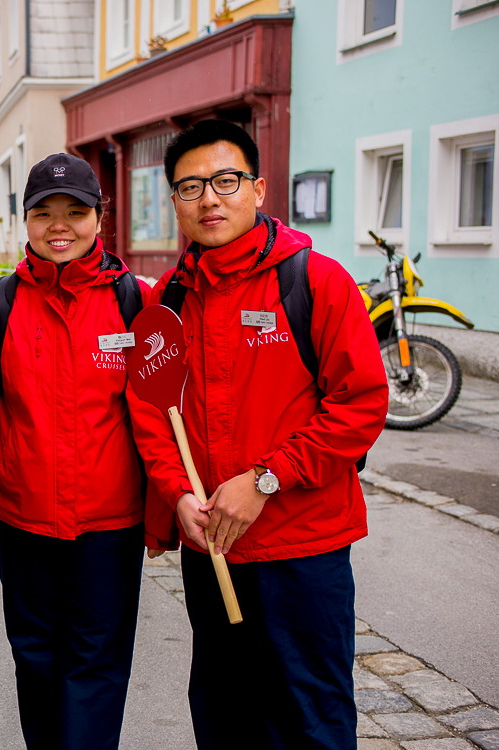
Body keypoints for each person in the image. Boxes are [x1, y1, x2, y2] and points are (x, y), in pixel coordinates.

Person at [131, 119, 389, 749]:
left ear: (259, 188)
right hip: (211, 551)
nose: (209, 199)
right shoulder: (167, 301)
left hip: (301, 549)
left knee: (310, 716)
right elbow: (151, 414)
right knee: (224, 714)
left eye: (225, 180)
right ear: (175, 203)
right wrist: (176, 494)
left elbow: (361, 405)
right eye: (191, 187)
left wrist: (266, 479)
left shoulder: (315, 282)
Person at [0, 153, 168, 750]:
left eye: (75, 212)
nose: (61, 226)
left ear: (99, 218)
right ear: (24, 221)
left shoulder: (138, 302)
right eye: (44, 212)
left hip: (109, 523)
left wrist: (164, 512)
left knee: (97, 662)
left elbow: (161, 417)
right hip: (23, 519)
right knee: (35, 658)